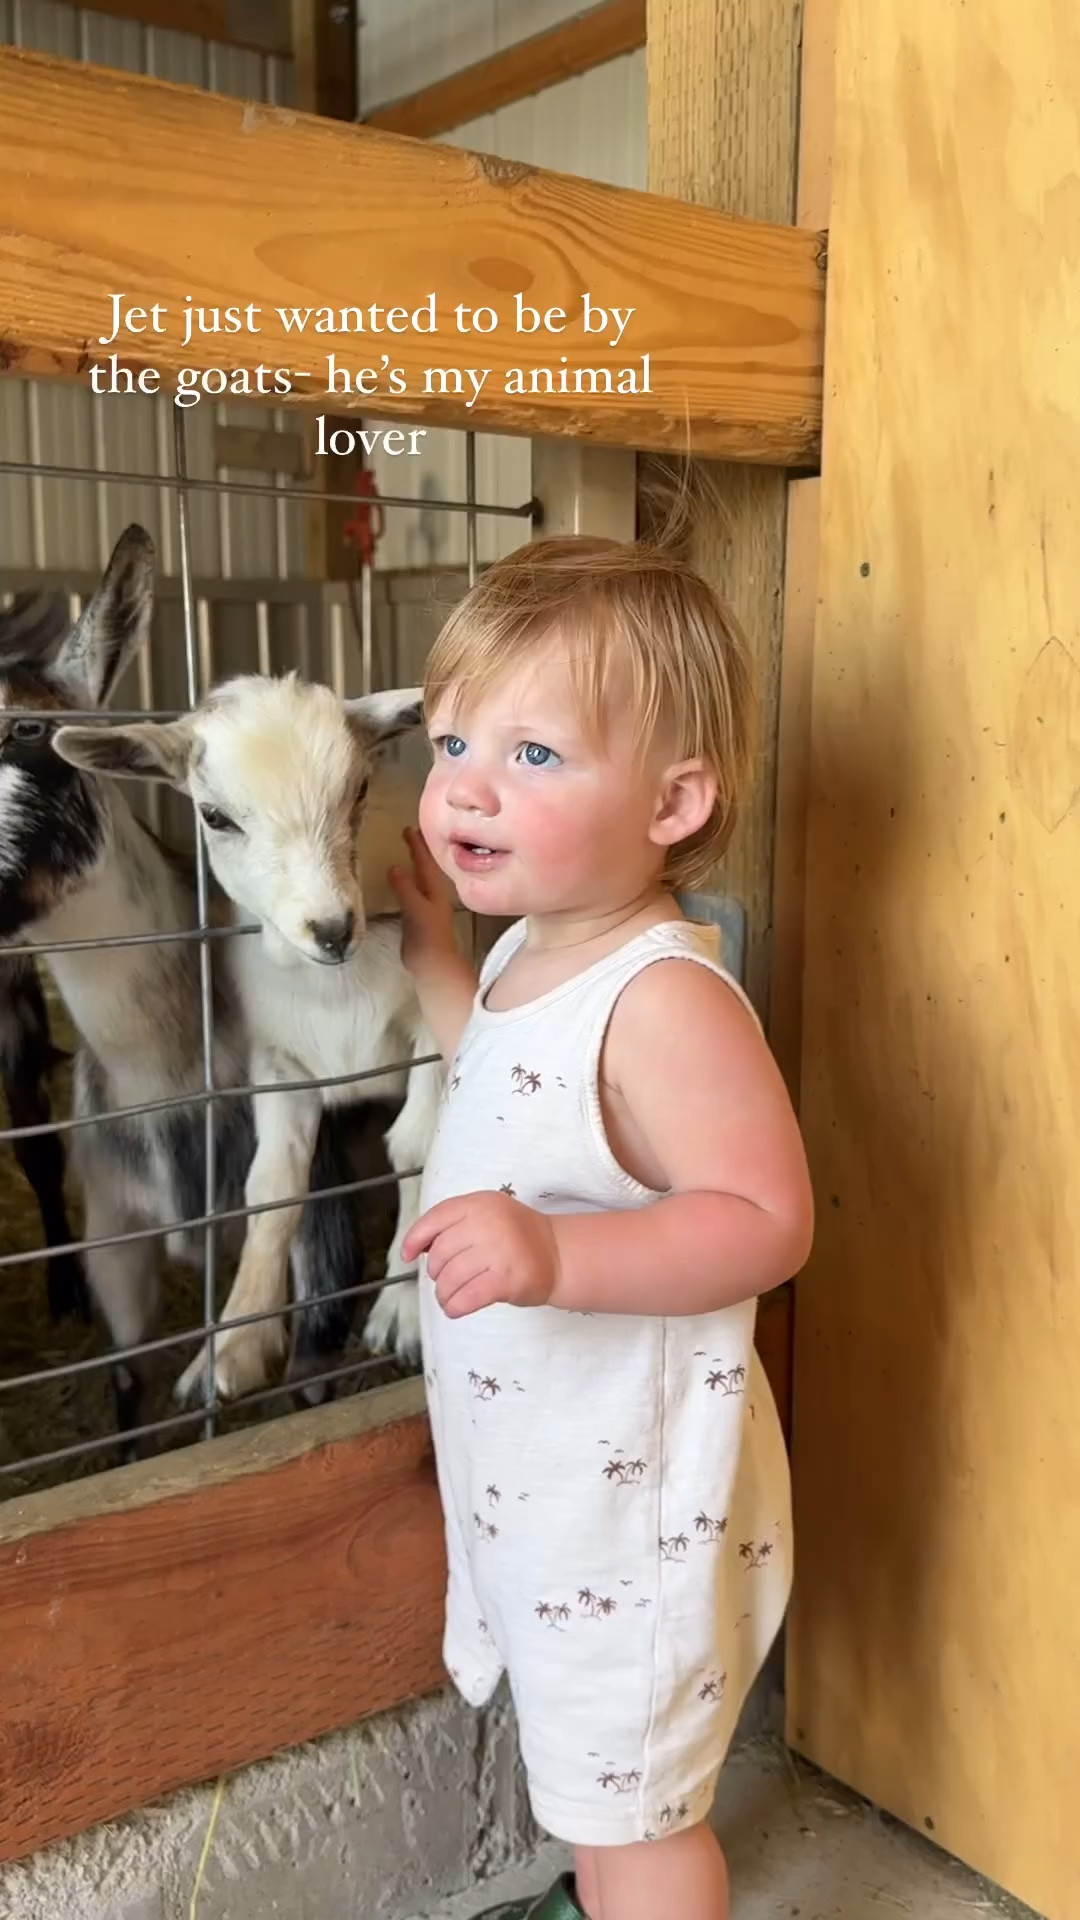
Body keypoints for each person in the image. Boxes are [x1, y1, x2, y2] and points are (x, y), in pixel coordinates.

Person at [388, 527, 814, 1920]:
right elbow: (518, 1092)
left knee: (638, 1818)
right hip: (556, 1492)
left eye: (535, 756)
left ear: (676, 801)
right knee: (595, 1782)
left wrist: (557, 1253)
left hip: (636, 1507)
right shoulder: (534, 951)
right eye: (453, 744)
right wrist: (441, 968)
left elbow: (767, 1220)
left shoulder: (665, 1001)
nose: (465, 790)